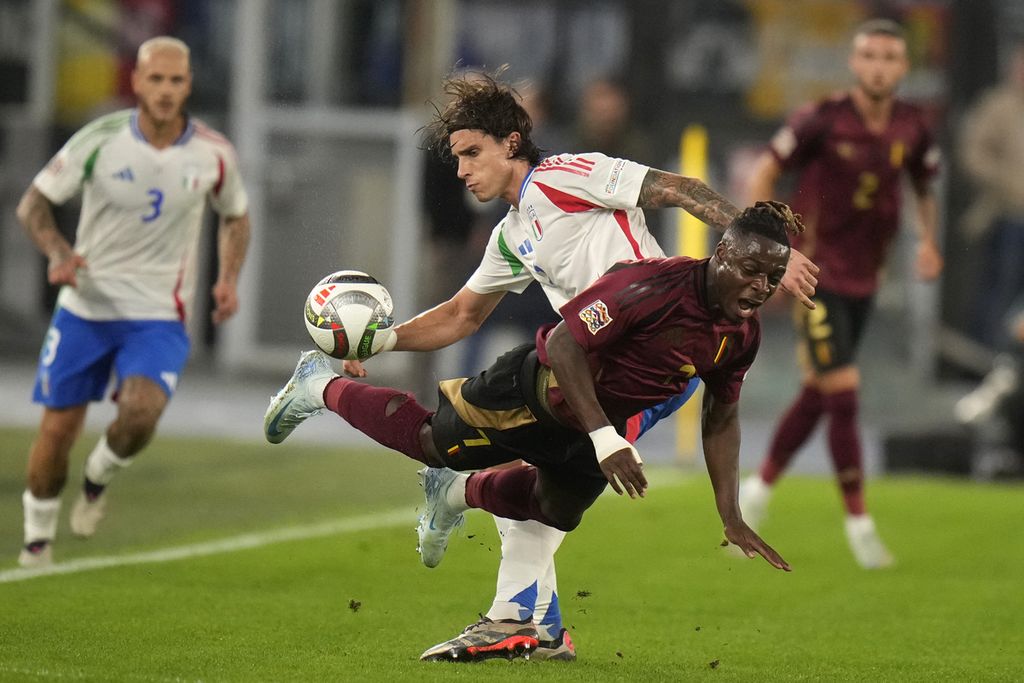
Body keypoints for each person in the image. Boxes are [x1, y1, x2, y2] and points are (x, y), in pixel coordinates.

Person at [266, 67, 818, 662]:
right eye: (457, 157)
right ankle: (524, 616)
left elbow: (679, 188)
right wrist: (371, 342)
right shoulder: (510, 235)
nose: (462, 170)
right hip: (585, 370)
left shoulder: (567, 175)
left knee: (553, 489)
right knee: (551, 498)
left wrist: (765, 254)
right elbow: (460, 317)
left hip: (645, 361)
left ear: (511, 144)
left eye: (472, 153)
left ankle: (487, 555)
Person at [15, 36, 251, 567]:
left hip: (158, 315)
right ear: (138, 82)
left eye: (176, 80)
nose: (165, 90)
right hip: (85, 308)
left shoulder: (213, 152)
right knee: (56, 433)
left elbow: (236, 214)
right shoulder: (99, 139)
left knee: (140, 414)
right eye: (155, 79)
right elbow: (33, 205)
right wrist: (57, 249)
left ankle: (99, 475)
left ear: (188, 85)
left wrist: (228, 278)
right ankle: (37, 544)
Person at [737, 19, 944, 569]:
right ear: (855, 63)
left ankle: (755, 494)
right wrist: (770, 249)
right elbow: (765, 171)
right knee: (844, 389)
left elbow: (924, 185)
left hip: (866, 279)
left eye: (890, 57)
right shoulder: (822, 119)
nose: (878, 66)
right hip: (816, 276)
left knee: (819, 391)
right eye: (870, 55)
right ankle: (859, 522)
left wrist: (927, 241)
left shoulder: (912, 126)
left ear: (903, 67)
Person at [958, 43, 1024, 349]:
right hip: (1008, 213)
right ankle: (985, 355)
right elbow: (973, 153)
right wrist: (1002, 180)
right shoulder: (998, 106)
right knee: (1000, 287)